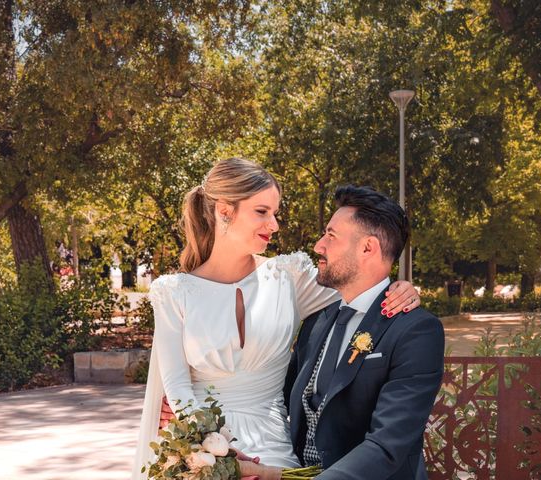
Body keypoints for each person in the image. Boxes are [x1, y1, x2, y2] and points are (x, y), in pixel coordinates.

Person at [131, 158, 421, 479]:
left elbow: (361, 285)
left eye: (275, 213)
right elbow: (177, 385)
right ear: (225, 210)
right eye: (262, 212)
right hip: (204, 449)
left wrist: (402, 289)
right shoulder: (173, 292)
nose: (274, 225)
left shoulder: (288, 276)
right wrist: (214, 453)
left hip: (274, 445)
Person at [271, 185, 443, 479]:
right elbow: (280, 400)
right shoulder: (316, 322)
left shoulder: (416, 331)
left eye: (331, 235)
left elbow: (387, 445)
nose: (318, 246)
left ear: (368, 248)